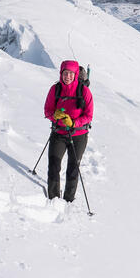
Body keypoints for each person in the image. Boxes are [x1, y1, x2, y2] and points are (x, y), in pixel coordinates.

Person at [43, 60, 94, 201]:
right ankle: (53, 198)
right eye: (65, 73)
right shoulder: (55, 89)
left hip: (79, 135)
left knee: (73, 168)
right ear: (61, 74)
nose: (68, 76)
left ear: (76, 74)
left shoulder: (84, 91)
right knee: (54, 165)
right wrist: (55, 117)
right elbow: (47, 110)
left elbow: (89, 116)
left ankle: (68, 199)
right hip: (58, 134)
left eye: (71, 73)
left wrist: (73, 123)